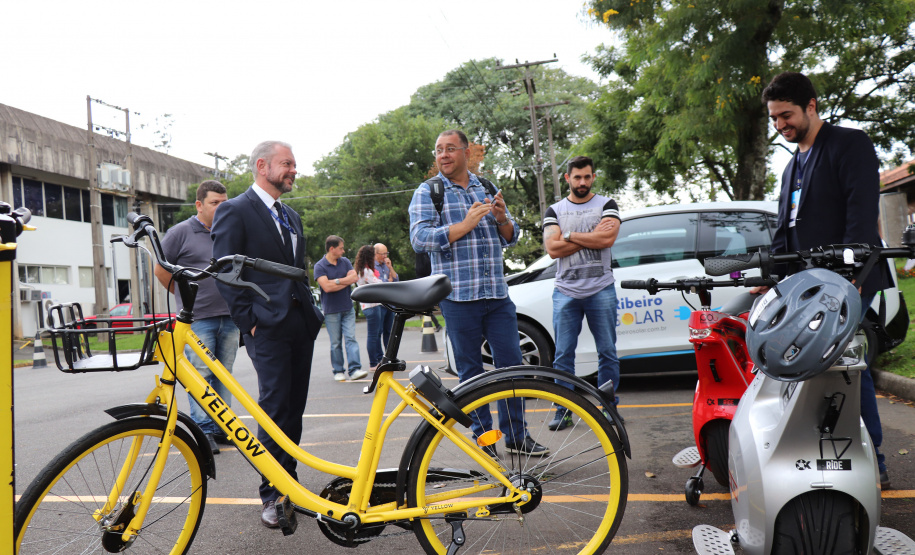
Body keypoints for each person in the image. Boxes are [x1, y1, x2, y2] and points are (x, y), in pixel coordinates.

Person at [761, 71, 893, 488]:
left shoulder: (848, 144)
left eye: (786, 115)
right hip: (805, 287)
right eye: (774, 118)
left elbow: (860, 215)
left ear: (812, 106)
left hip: (845, 283)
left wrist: (850, 280)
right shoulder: (792, 165)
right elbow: (786, 230)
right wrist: (774, 281)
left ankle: (875, 462)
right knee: (813, 369)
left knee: (848, 368)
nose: (780, 125)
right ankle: (825, 456)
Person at [409, 129, 548, 456]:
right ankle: (486, 442)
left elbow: (510, 237)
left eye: (450, 149)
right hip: (458, 298)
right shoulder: (428, 192)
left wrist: (501, 220)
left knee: (512, 369)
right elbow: (419, 239)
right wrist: (464, 225)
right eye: (439, 149)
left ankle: (517, 436)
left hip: (497, 295)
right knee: (471, 374)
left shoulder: (486, 187)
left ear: (466, 152)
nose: (443, 155)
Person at [211, 141, 324, 528]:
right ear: (262, 166)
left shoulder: (291, 215)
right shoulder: (234, 210)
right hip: (267, 327)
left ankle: (290, 488)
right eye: (287, 164)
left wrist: (311, 313)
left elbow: (296, 268)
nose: (294, 169)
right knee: (274, 409)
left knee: (293, 411)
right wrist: (249, 321)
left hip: (300, 324)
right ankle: (272, 496)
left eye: (294, 164)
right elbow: (225, 270)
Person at [154, 180, 239, 454]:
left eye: (224, 203)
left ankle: (222, 426)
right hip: (198, 318)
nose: (220, 208)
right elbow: (161, 269)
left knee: (223, 374)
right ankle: (204, 430)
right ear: (199, 205)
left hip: (229, 315)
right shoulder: (180, 232)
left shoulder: (229, 231)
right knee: (199, 374)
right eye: (215, 203)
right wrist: (183, 295)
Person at [542, 156, 622, 430]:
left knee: (607, 352)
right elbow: (552, 250)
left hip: (601, 288)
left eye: (587, 177)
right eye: (577, 177)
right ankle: (563, 410)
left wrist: (567, 235)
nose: (583, 182)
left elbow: (607, 239)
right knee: (563, 354)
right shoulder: (554, 210)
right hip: (566, 290)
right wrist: (588, 235)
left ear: (593, 177)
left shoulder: (607, 205)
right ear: (567, 178)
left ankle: (609, 408)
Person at [314, 236, 366, 382]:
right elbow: (327, 287)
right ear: (332, 249)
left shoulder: (345, 262)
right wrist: (344, 281)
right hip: (331, 310)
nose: (343, 251)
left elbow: (354, 278)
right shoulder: (320, 266)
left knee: (351, 338)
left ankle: (355, 369)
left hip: (347, 308)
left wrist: (335, 282)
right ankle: (338, 371)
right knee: (336, 342)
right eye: (341, 248)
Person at [355, 245, 386, 368]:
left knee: (376, 334)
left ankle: (379, 358)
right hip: (372, 306)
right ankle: (373, 362)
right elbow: (378, 283)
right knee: (373, 335)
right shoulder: (366, 271)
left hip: (369, 306)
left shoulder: (362, 270)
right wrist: (382, 281)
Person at [372, 243, 398, 347]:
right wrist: (388, 281)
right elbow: (379, 283)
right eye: (383, 254)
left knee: (389, 332)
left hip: (390, 303)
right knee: (379, 331)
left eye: (386, 253)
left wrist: (390, 267)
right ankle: (379, 357)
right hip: (379, 304)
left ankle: (390, 355)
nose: (385, 256)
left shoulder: (386, 265)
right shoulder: (372, 266)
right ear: (376, 253)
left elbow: (396, 280)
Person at [414, 251, 443, 332]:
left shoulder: (421, 256)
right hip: (427, 281)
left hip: (424, 283)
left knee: (426, 307)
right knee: (426, 307)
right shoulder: (426, 254)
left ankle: (435, 324)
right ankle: (428, 324)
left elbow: (420, 269)